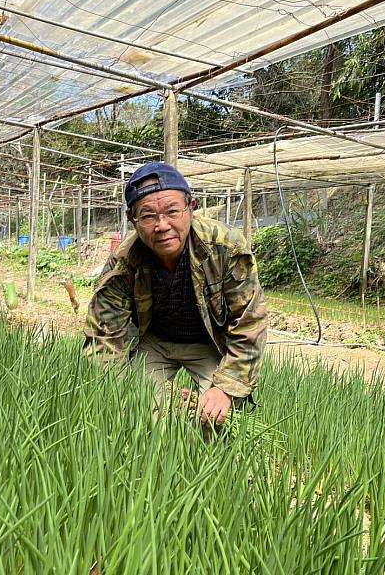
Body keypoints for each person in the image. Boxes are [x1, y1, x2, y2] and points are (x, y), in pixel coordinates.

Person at [84, 161, 267, 426]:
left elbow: (250, 322)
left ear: (191, 208)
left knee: (216, 419)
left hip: (207, 341)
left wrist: (225, 389)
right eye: (147, 216)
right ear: (132, 220)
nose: (162, 225)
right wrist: (122, 394)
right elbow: (104, 338)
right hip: (154, 341)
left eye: (172, 211)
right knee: (139, 413)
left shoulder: (225, 248)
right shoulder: (123, 264)